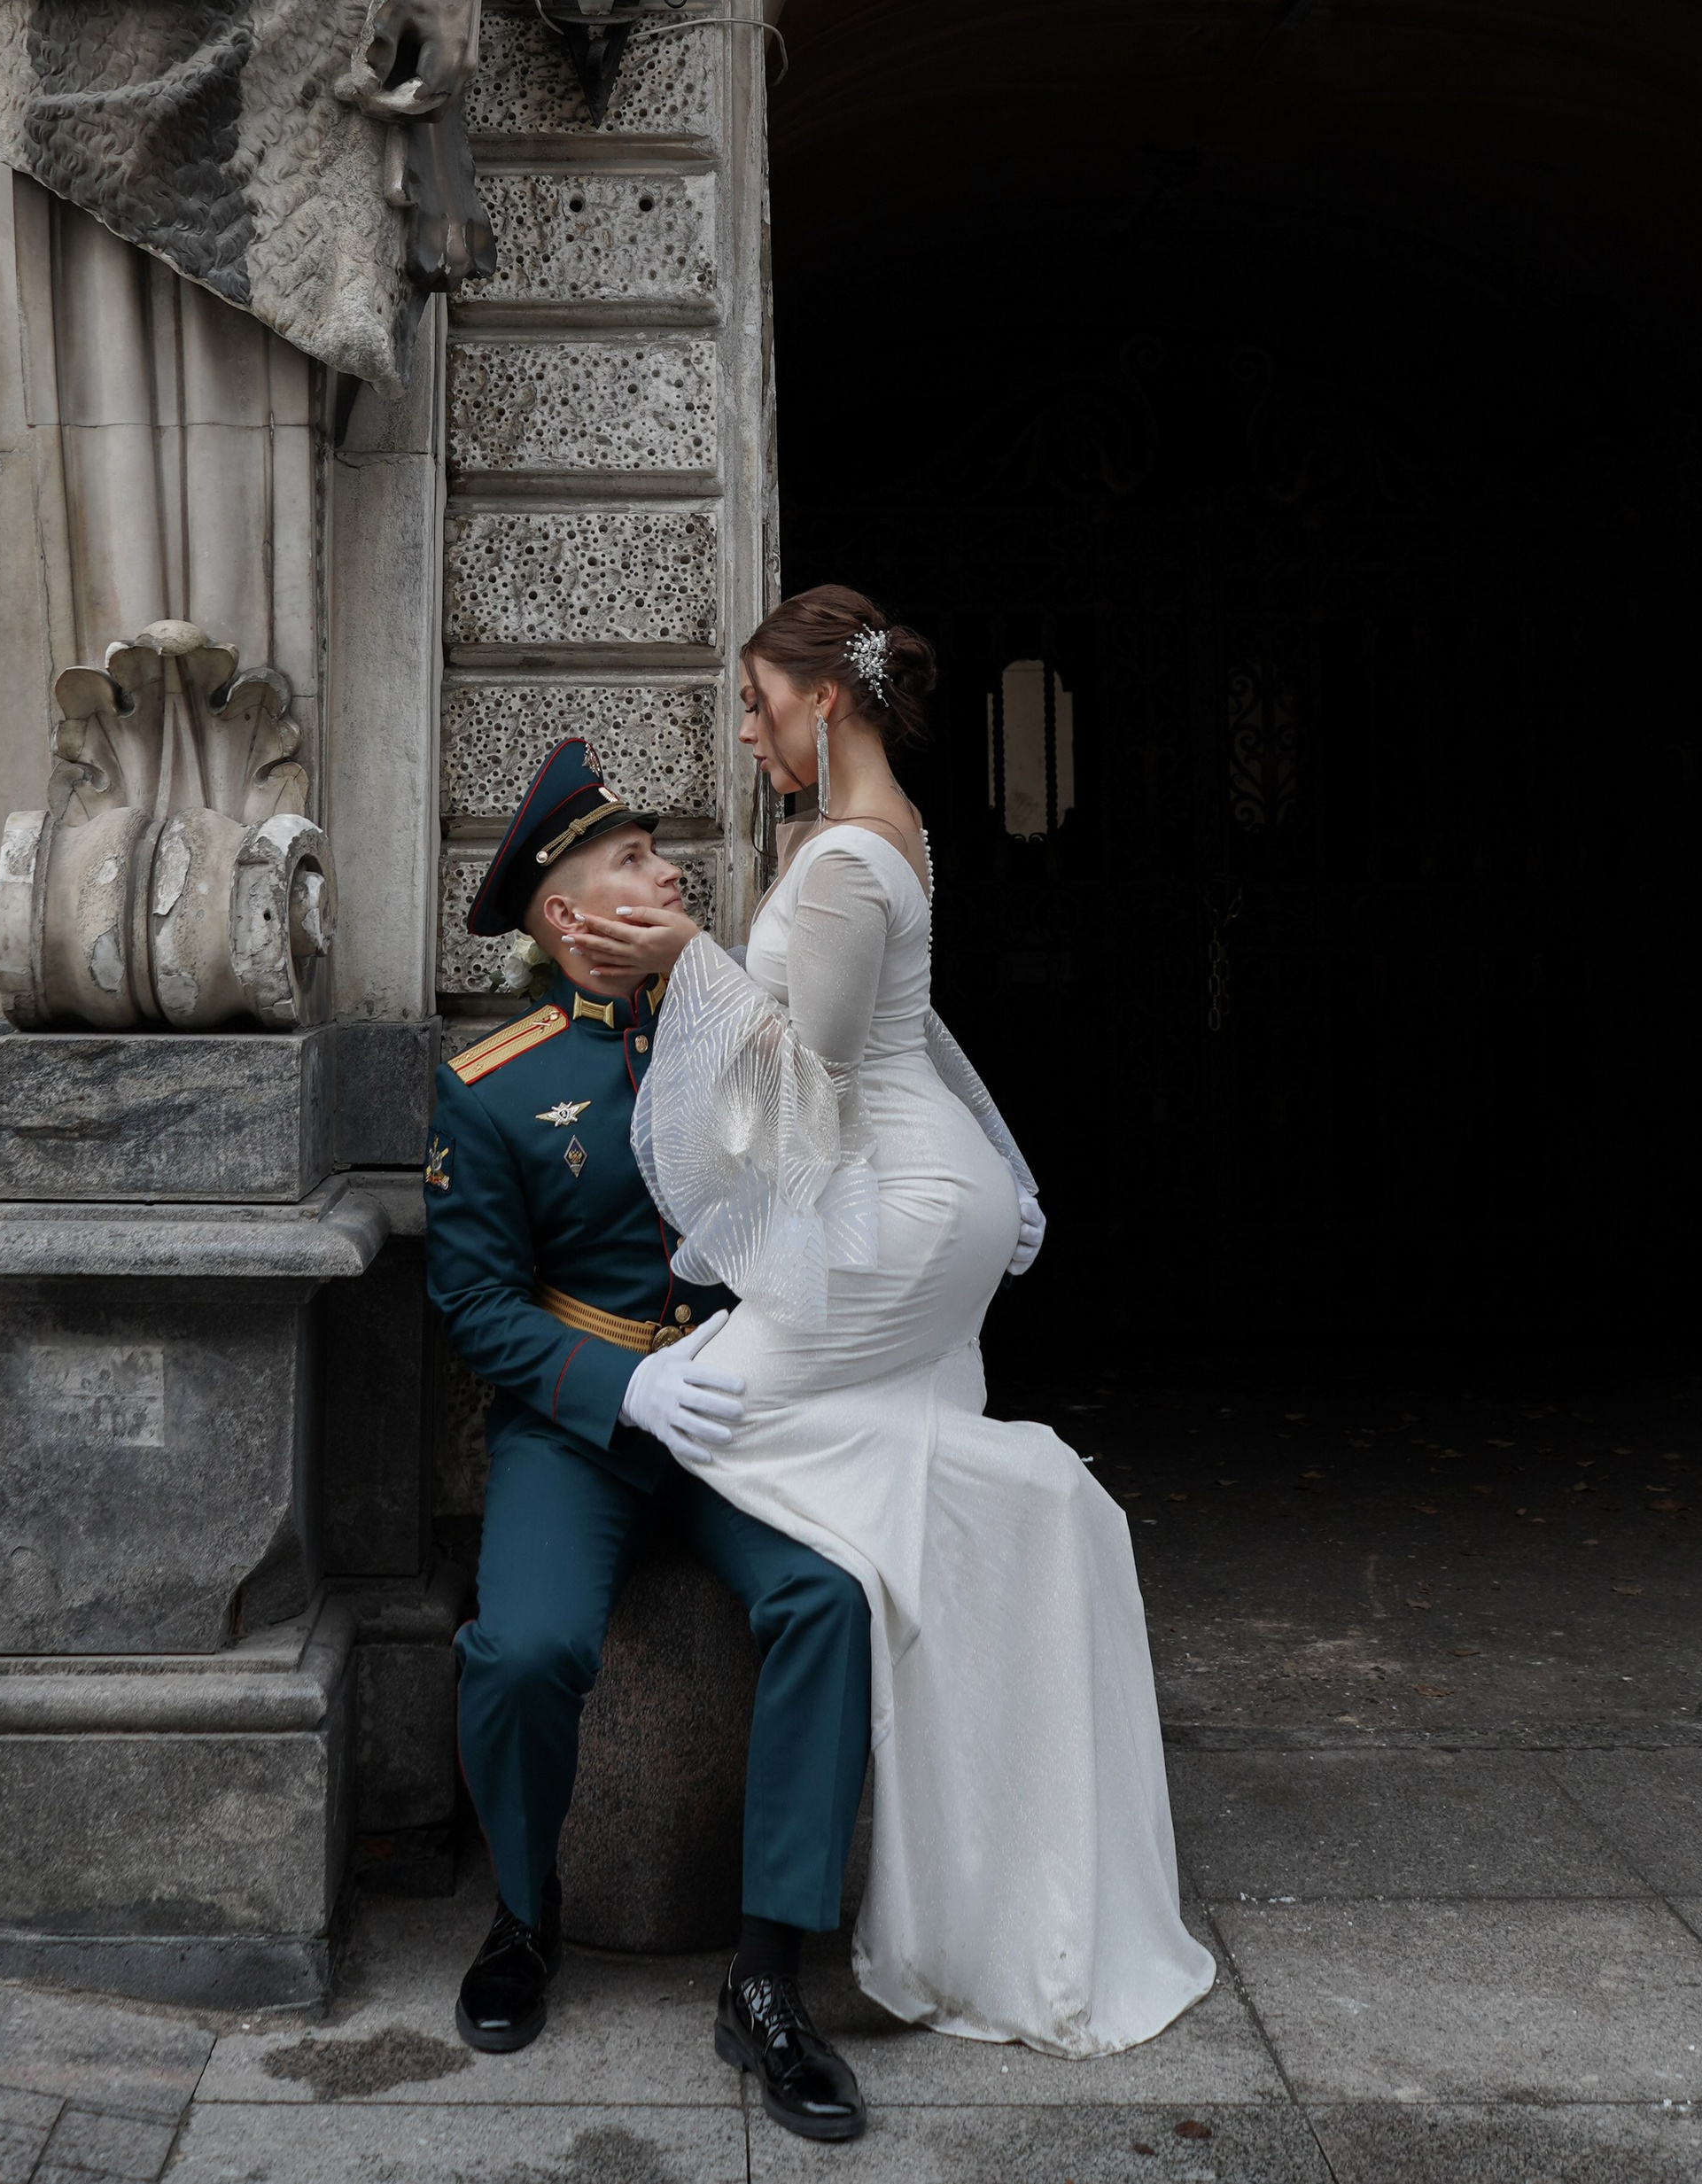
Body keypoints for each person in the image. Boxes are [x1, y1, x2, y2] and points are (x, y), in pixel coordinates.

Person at [563, 587, 1216, 2056]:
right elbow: (915, 1041)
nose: (744, 730)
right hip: (937, 1192)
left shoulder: (851, 854)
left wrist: (681, 962)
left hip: (910, 1208)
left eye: (755, 701)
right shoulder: (870, 832)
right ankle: (976, 1844)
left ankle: (1046, 1507)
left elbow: (823, 1074)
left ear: (825, 700)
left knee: (707, 1402)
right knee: (883, 1455)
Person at [425, 738, 878, 2138]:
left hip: (741, 1413)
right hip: (587, 1426)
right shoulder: (492, 1083)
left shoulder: (738, 1020)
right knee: (524, 1648)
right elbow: (472, 1301)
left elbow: (828, 1163)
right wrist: (619, 1391)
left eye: (657, 850)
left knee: (829, 1599)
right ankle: (522, 1908)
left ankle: (764, 1974)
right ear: (565, 917)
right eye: (630, 859)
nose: (666, 869)